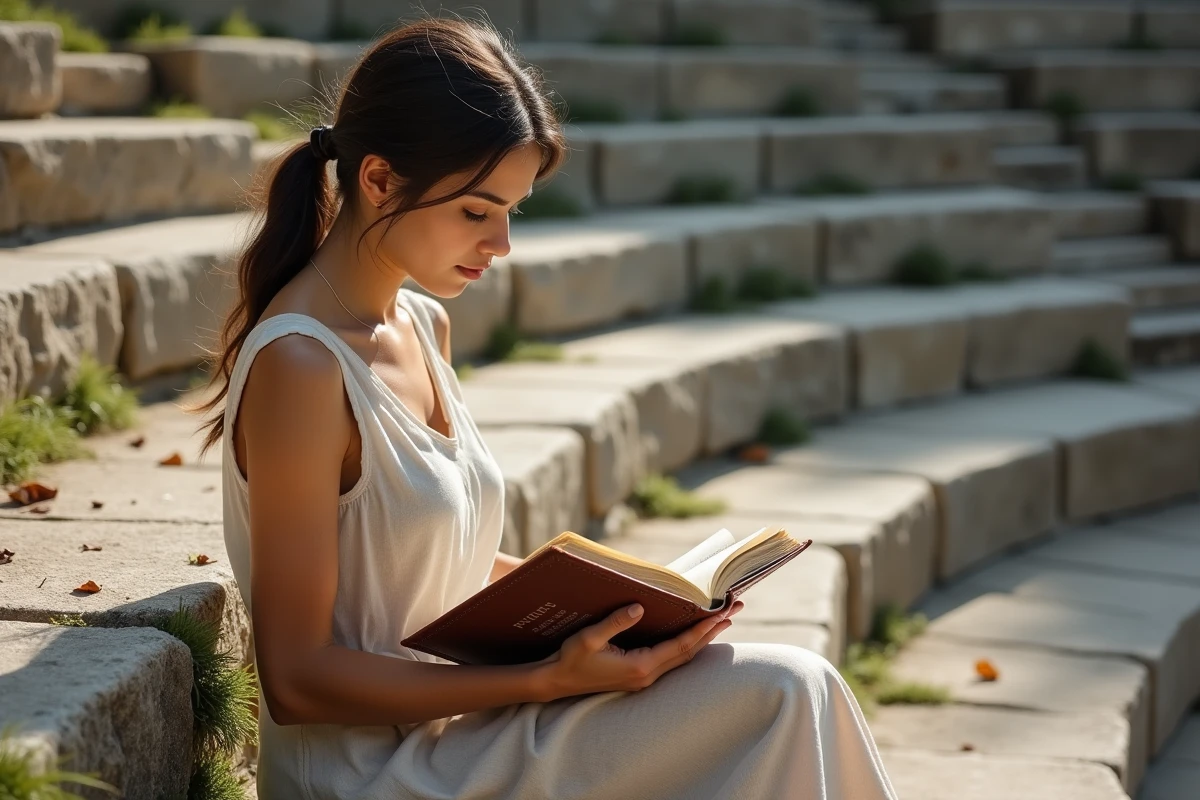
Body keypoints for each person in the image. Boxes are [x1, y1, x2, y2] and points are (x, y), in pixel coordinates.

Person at [196, 16, 899, 800]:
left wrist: (632, 601)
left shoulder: (422, 324)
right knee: (781, 695)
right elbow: (298, 682)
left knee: (800, 685)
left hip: (463, 733)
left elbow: (423, 560)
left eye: (512, 211)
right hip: (372, 774)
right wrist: (546, 680)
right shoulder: (302, 366)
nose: (500, 244)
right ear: (379, 181)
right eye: (475, 211)